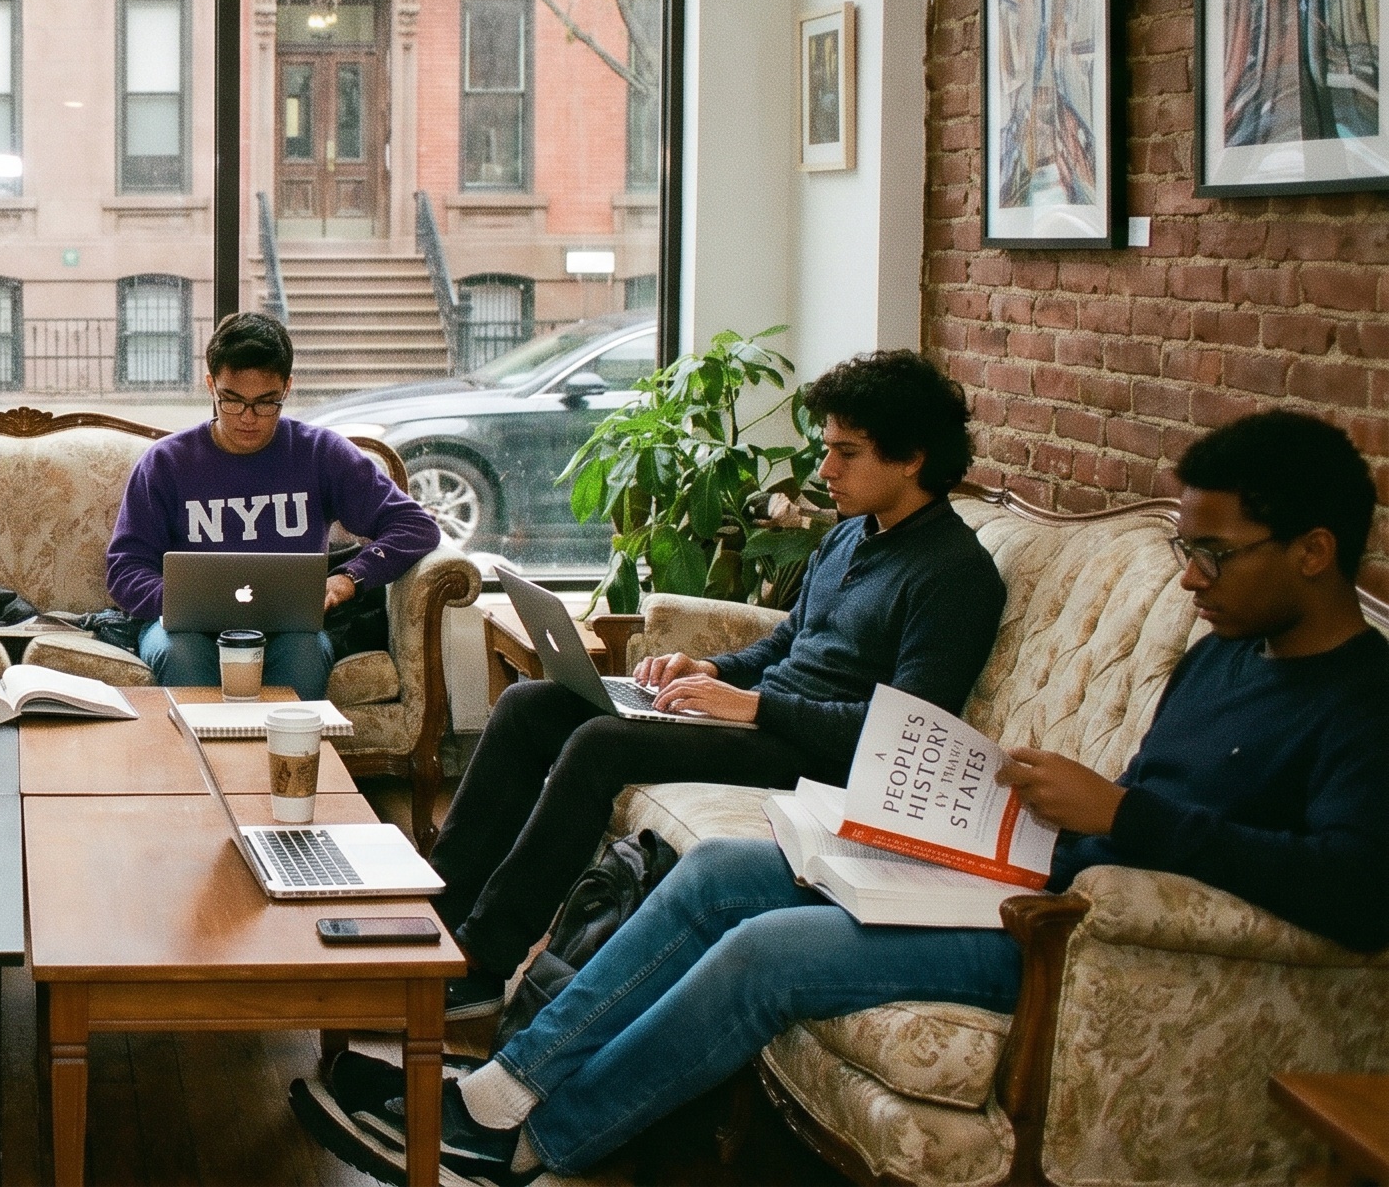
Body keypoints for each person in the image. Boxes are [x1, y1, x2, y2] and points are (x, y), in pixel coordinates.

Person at [413, 410, 1389, 1184]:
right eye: (1185, 548)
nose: (1189, 579)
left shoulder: (1364, 703)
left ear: (1311, 550)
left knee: (766, 950)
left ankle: (551, 1142)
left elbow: (1355, 891)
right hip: (1031, 876)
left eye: (1214, 553)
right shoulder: (1224, 653)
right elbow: (1152, 800)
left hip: (1080, 944)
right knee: (719, 872)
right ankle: (504, 1087)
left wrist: (1119, 814)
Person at [427, 348, 1008, 1019]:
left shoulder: (954, 575)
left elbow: (904, 734)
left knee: (601, 743)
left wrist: (754, 706)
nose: (826, 470)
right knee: (531, 705)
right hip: (766, 723)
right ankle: (435, 925)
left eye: (847, 453)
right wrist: (711, 670)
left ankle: (484, 959)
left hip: (819, 760)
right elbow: (789, 643)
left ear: (912, 458)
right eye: (828, 449)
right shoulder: (851, 537)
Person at [104, 312, 441, 701]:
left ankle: (288, 745)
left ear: (287, 387)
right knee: (181, 654)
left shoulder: (319, 453)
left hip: (291, 629)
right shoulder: (166, 463)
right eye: (232, 401)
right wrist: (184, 602)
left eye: (266, 403)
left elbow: (416, 527)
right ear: (211, 385)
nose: (248, 418)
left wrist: (346, 580)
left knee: (305, 655)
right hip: (186, 630)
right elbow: (124, 568)